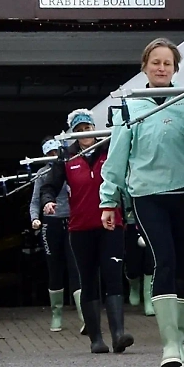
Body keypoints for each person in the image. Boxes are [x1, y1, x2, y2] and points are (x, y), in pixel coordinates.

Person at [101, 39, 184, 367]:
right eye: (155, 62)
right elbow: (116, 157)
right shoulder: (129, 106)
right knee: (164, 260)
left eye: (167, 63)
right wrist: (108, 200)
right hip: (148, 196)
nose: (161, 68)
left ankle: (182, 341)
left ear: (175, 68)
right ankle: (169, 345)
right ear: (144, 66)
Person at [42, 109, 134, 354]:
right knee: (88, 280)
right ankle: (96, 339)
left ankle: (118, 334)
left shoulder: (109, 150)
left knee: (113, 276)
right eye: (79, 130)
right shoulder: (66, 157)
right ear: (73, 133)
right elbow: (49, 185)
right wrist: (48, 201)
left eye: (88, 128)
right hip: (80, 228)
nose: (85, 133)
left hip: (111, 225)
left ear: (95, 129)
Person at [30, 146, 80, 332]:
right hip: (51, 223)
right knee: (54, 268)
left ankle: (84, 315)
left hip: (73, 220)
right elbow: (36, 199)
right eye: (50, 153)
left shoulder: (72, 165)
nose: (54, 156)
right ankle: (56, 314)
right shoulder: (42, 173)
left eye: (56, 153)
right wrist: (35, 218)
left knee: (76, 267)